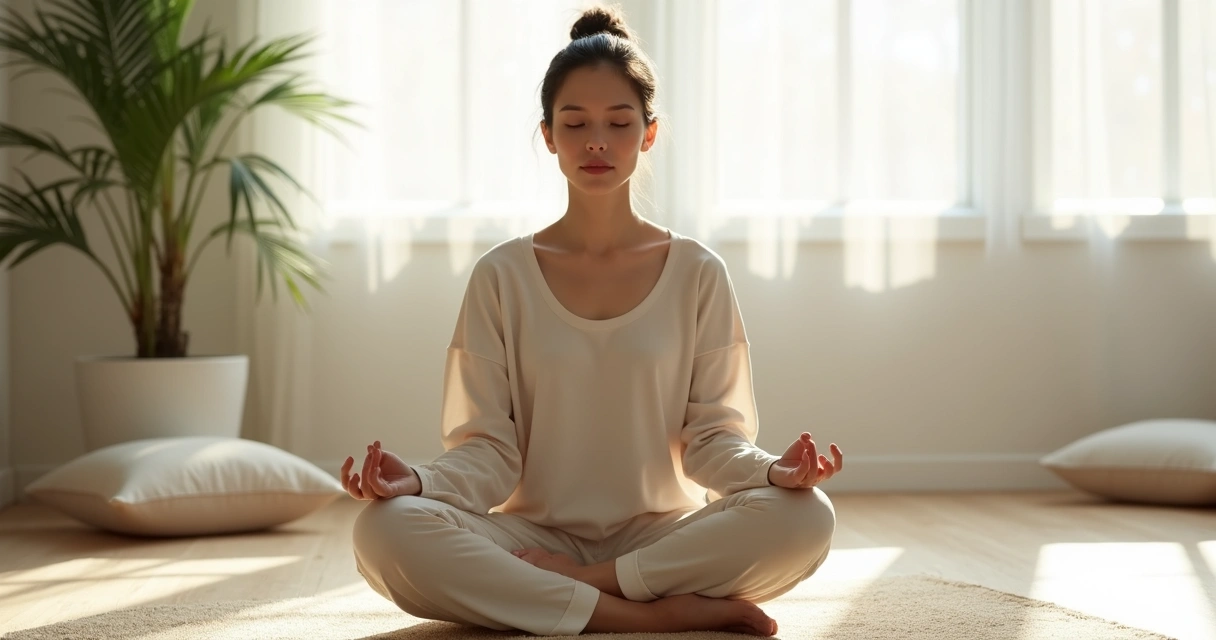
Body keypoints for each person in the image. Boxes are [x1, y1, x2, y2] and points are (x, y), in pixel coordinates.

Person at [340, 5, 843, 637]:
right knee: (383, 529)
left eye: (618, 122)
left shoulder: (697, 271)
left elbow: (713, 439)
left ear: (649, 134)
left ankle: (588, 591)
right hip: (527, 533)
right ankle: (654, 617)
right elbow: (490, 451)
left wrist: (775, 473)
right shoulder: (502, 275)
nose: (596, 141)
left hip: (662, 538)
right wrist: (419, 480)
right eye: (575, 123)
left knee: (807, 515)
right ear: (548, 135)